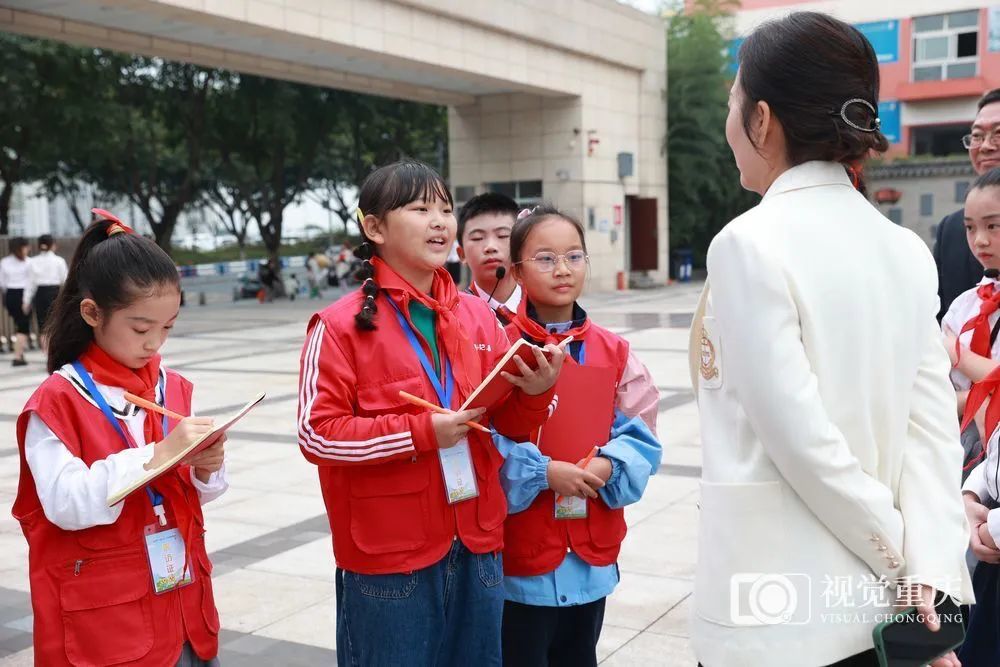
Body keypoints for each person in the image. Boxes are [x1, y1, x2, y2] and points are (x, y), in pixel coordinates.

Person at [690, 12, 973, 667]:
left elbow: (803, 442)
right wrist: (926, 576)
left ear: (763, 120)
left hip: (773, 617)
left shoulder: (747, 244)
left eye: (734, 103)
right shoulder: (903, 248)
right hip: (878, 617)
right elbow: (931, 430)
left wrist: (902, 558)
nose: (729, 122)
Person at [295, 160, 565, 666]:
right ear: (374, 228)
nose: (440, 220)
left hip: (478, 543)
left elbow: (501, 425)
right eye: (420, 209)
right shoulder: (337, 327)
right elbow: (317, 435)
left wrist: (532, 393)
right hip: (389, 556)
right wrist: (421, 432)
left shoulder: (478, 314)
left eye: (445, 208)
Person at [13, 209, 228, 666]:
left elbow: (186, 494)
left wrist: (205, 468)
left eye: (167, 327)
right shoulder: (58, 401)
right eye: (140, 328)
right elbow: (65, 503)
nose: (155, 343)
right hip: (107, 629)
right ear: (91, 312)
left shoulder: (172, 385)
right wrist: (159, 455)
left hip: (184, 609)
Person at [494, 205, 661, 667]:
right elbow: (478, 436)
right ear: (517, 272)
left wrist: (611, 463)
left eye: (574, 256)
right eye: (545, 259)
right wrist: (542, 472)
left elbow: (642, 427)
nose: (563, 269)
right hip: (521, 558)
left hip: (590, 552)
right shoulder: (494, 345)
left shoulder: (614, 351)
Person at [934, 88, 1000, 321]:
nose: (985, 146)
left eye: (998, 134)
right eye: (977, 136)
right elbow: (938, 319)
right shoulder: (951, 230)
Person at [456, 192, 522, 326]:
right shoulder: (453, 314)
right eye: (477, 238)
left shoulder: (543, 306)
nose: (490, 247)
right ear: (461, 254)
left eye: (503, 235)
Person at [24, 233, 68, 350]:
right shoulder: (59, 261)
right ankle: (56, 353)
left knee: (42, 326)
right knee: (57, 324)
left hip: (40, 294)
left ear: (39, 246)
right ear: (53, 245)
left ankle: (47, 356)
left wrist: (26, 301)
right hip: (55, 293)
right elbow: (65, 280)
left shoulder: (32, 261)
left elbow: (30, 283)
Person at [0, 237, 32, 366]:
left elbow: (2, 283)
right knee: (23, 327)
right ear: (21, 247)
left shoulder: (4, 262)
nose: (28, 249)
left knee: (19, 325)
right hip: (23, 295)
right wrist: (27, 300)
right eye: (26, 246)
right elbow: (31, 282)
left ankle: (20, 353)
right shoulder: (29, 263)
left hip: (10, 295)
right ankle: (17, 356)